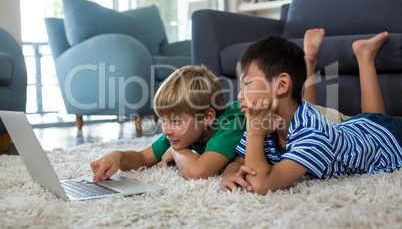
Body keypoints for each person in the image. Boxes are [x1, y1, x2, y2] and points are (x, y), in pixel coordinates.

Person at [221, 30, 402, 195]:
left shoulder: (313, 132)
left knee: (378, 123)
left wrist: (255, 132)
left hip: (389, 135)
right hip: (355, 127)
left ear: (282, 85)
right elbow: (239, 160)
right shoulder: (263, 119)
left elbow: (260, 186)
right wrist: (229, 176)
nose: (238, 95)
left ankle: (365, 56)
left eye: (247, 84)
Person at [91, 65, 246, 183]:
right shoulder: (183, 132)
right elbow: (142, 158)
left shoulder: (231, 123)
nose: (166, 131)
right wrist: (117, 156)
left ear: (207, 117)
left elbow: (198, 173)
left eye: (175, 121)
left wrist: (175, 151)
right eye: (164, 120)